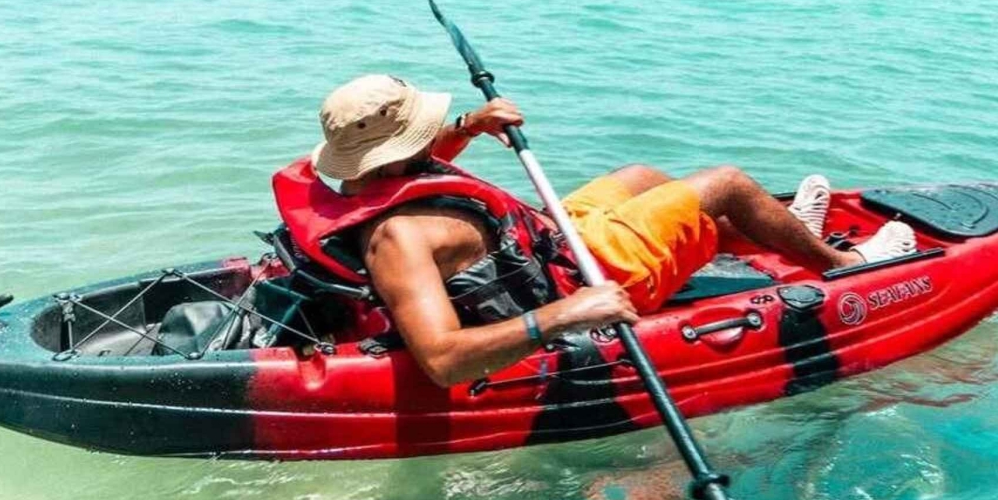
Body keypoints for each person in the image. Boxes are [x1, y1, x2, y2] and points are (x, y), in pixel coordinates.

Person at [299, 74, 915, 387]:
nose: (435, 138)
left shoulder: (364, 182)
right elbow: (441, 361)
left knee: (641, 175)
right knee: (725, 184)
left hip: (548, 239)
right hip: (582, 276)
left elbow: (422, 168)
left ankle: (783, 234)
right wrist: (564, 316)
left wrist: (469, 124)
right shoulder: (397, 241)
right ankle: (844, 263)